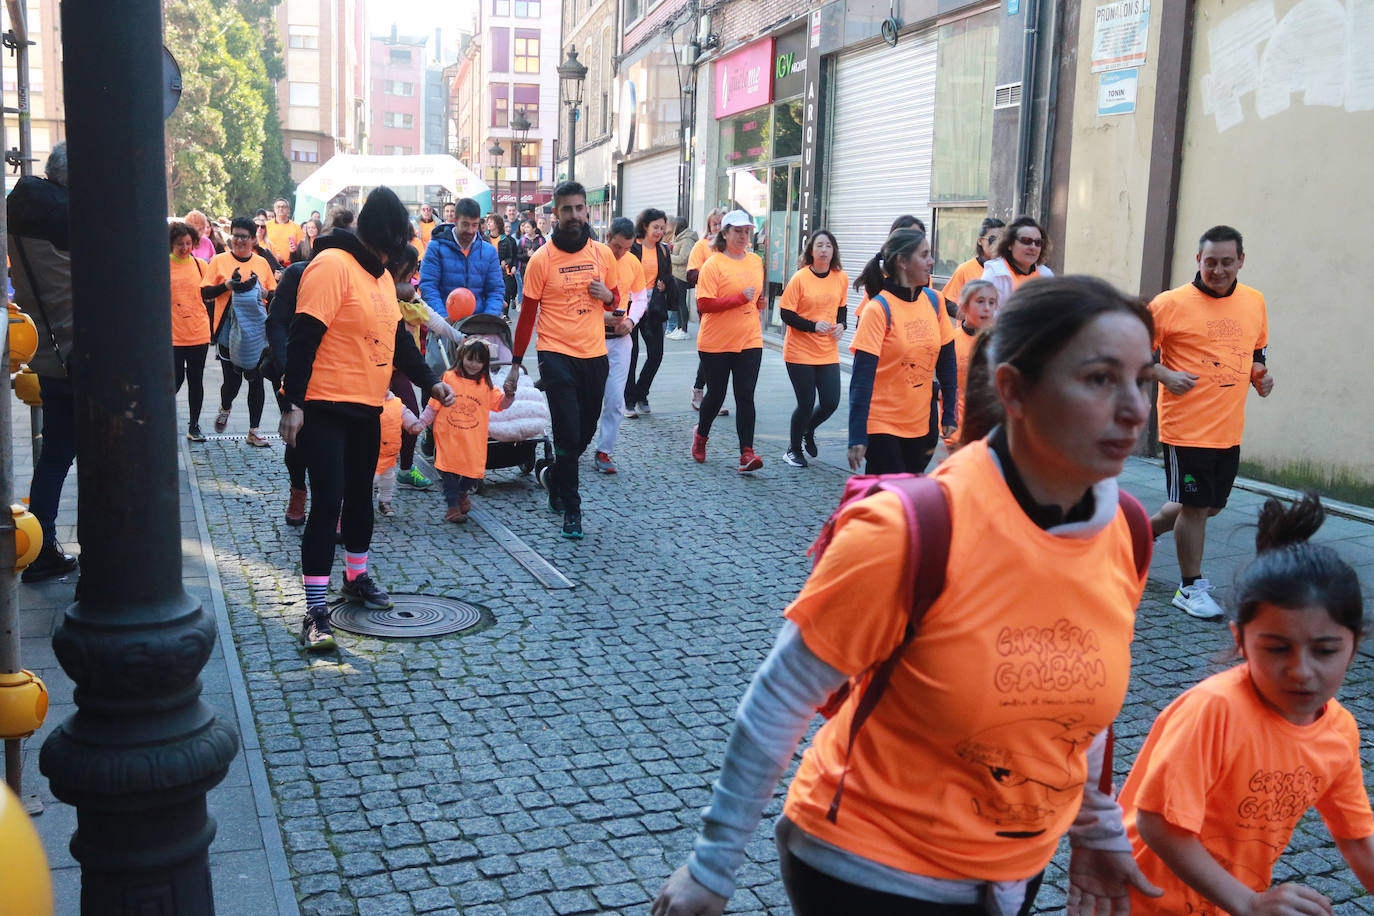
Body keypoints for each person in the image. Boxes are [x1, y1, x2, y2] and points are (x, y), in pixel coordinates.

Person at [653, 275, 1162, 916]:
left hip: (1012, 874)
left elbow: (1074, 707)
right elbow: (780, 696)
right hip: (870, 870)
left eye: (1143, 380)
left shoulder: (1128, 532)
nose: (1136, 411)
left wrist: (1095, 829)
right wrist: (712, 867)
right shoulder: (912, 530)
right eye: (1099, 379)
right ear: (1015, 389)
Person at [1118, 493, 1373, 916]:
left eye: (1325, 651)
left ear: (1355, 645)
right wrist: (1249, 902)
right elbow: (1157, 822)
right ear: (1240, 640)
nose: (1301, 671)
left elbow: (1356, 837)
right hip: (1141, 904)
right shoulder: (1214, 710)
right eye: (1276, 649)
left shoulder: (1339, 731)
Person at [280, 186, 455, 651]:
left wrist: (429, 381)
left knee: (359, 498)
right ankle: (316, 609)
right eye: (390, 245)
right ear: (377, 235)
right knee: (329, 502)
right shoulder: (332, 266)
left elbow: (396, 340)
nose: (392, 256)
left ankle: (356, 575)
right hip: (323, 407)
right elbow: (302, 338)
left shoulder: (378, 276)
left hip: (367, 407)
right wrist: (291, 404)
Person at [1146, 225, 1273, 621]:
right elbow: (1132, 351)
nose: (1218, 270)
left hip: (1228, 426)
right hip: (1186, 426)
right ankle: (1189, 587)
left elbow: (1257, 350)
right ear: (1198, 260)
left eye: (1227, 262)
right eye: (1211, 261)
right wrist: (1165, 376)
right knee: (1196, 508)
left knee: (1207, 506)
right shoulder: (1169, 303)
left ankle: (1138, 533)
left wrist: (1260, 375)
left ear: (1240, 261)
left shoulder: (1254, 301)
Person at [504, 181, 620, 539]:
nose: (573, 215)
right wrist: (515, 361)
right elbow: (526, 316)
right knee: (568, 434)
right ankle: (573, 508)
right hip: (556, 356)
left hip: (595, 355)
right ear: (555, 214)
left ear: (587, 211)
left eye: (579, 208)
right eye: (566, 209)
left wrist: (608, 296)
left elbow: (616, 303)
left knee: (583, 434)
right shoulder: (542, 260)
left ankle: (555, 476)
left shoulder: (603, 254)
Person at [8, 142, 78, 582]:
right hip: (88, 354)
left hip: (49, 354)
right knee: (102, 458)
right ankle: (101, 559)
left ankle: (41, 547)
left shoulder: (22, 212)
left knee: (54, 455)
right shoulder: (72, 218)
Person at [847, 228, 957, 475]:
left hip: (921, 427)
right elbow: (861, 379)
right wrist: (856, 434)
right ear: (903, 262)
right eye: (925, 255)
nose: (931, 262)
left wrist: (949, 413)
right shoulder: (877, 310)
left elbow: (947, 361)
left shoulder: (934, 301)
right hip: (882, 425)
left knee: (903, 503)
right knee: (891, 500)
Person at [691, 210, 766, 473]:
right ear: (724, 233)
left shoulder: (756, 261)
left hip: (750, 338)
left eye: (747, 231)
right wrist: (738, 300)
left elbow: (756, 296)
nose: (743, 236)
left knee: (745, 395)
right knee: (717, 394)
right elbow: (703, 304)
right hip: (716, 341)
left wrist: (759, 302)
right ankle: (701, 436)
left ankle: (747, 453)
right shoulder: (714, 264)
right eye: (737, 231)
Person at [414, 338, 513, 523]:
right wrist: (422, 423)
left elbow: (500, 404)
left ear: (485, 364)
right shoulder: (449, 377)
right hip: (449, 436)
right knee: (449, 472)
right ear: (461, 357)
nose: (474, 365)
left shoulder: (485, 384)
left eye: (479, 361)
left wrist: (509, 395)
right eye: (470, 359)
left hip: (473, 439)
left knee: (472, 472)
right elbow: (434, 405)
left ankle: (461, 494)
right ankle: (452, 506)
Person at [203, 216, 278, 446]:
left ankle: (254, 430)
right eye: (235, 235)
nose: (239, 240)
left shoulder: (262, 263)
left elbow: (274, 295)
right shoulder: (219, 261)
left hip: (256, 331)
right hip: (228, 330)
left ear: (254, 239)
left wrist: (264, 293)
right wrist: (226, 285)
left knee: (256, 380)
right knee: (232, 382)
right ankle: (226, 405)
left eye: (244, 236)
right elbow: (205, 293)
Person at [779, 229, 848, 469]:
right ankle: (793, 450)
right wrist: (812, 326)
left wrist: (842, 325)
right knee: (806, 402)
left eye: (828, 246)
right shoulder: (800, 278)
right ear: (811, 250)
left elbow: (842, 308)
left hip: (827, 349)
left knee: (830, 401)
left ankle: (809, 428)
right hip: (799, 351)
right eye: (819, 245)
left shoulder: (840, 277)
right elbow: (785, 313)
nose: (823, 250)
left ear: (834, 251)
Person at [593, 218, 650, 475]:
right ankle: (576, 444)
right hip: (590, 338)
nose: (620, 253)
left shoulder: (632, 262)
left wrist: (631, 320)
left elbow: (640, 297)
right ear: (607, 236)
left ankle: (604, 450)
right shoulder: (592, 257)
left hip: (620, 339)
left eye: (626, 248)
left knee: (615, 399)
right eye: (617, 246)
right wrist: (601, 318)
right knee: (588, 398)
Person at [420, 197, 505, 318]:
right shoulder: (435, 248)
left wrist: (487, 320)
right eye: (465, 224)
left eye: (474, 225)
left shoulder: (489, 251)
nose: (470, 230)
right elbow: (428, 286)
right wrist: (443, 320)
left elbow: (496, 290)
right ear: (455, 221)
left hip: (479, 323)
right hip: (444, 323)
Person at [623, 208, 672, 418]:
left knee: (656, 354)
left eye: (662, 227)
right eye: (656, 227)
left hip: (653, 307)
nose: (659, 231)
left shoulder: (663, 249)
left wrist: (664, 286)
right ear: (645, 226)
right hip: (632, 306)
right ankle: (628, 401)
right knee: (630, 356)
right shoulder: (632, 247)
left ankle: (641, 393)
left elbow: (668, 275)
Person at [941, 279, 998, 453]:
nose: (986, 308)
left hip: (993, 431)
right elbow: (930, 378)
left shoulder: (1003, 342)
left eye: (992, 302)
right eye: (980, 301)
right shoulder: (950, 340)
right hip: (957, 431)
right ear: (964, 307)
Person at [169, 221, 211, 442]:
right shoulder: (162, 265)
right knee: (174, 379)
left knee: (196, 379)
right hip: (174, 333)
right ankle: (162, 418)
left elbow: (209, 293)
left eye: (188, 243)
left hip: (198, 332)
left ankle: (194, 425)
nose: (185, 248)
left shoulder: (199, 265)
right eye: (179, 244)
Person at [687, 208, 727, 413]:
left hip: (730, 304)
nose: (718, 228)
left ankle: (713, 395)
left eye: (722, 224)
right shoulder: (701, 246)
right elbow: (691, 275)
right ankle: (701, 391)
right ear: (709, 225)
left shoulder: (732, 248)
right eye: (715, 224)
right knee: (712, 349)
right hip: (708, 303)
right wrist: (712, 273)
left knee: (722, 351)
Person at [940, 218, 1004, 318]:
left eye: (1002, 240)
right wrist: (968, 317)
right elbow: (946, 300)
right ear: (980, 241)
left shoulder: (1007, 269)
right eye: (993, 239)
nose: (998, 244)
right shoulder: (965, 269)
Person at [372, 389, 421, 517]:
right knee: (369, 480)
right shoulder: (366, 403)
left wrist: (414, 424)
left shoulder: (397, 403)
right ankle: (363, 505)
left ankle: (385, 501)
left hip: (390, 453)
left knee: (388, 479)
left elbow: (405, 414)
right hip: (370, 452)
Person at [981, 216, 1053, 302]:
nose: (1033, 247)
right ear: (1009, 244)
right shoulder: (994, 275)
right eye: (1026, 241)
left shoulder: (1046, 275)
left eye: (1038, 243)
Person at [667, 216, 696, 340]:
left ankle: (684, 330)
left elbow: (683, 258)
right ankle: (679, 328)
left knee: (681, 302)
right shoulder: (679, 238)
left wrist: (669, 257)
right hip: (676, 273)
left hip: (682, 275)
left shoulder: (687, 239)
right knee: (677, 302)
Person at [487, 213, 519, 315]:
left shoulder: (505, 240)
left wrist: (505, 262)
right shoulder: (485, 239)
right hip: (488, 271)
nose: (488, 224)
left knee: (505, 292)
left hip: (502, 271)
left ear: (497, 224)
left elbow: (510, 256)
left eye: (491, 222)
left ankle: (505, 314)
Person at [264, 197, 302, 266]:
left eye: (283, 207)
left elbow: (300, 247)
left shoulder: (296, 227)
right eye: (278, 207)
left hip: (289, 265)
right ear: (274, 210)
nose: (280, 209)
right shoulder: (266, 226)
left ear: (288, 210)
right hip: (269, 263)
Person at [252, 211, 285, 276]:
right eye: (256, 226)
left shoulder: (269, 246)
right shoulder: (245, 245)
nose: (259, 228)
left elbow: (277, 266)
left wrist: (280, 273)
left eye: (262, 227)